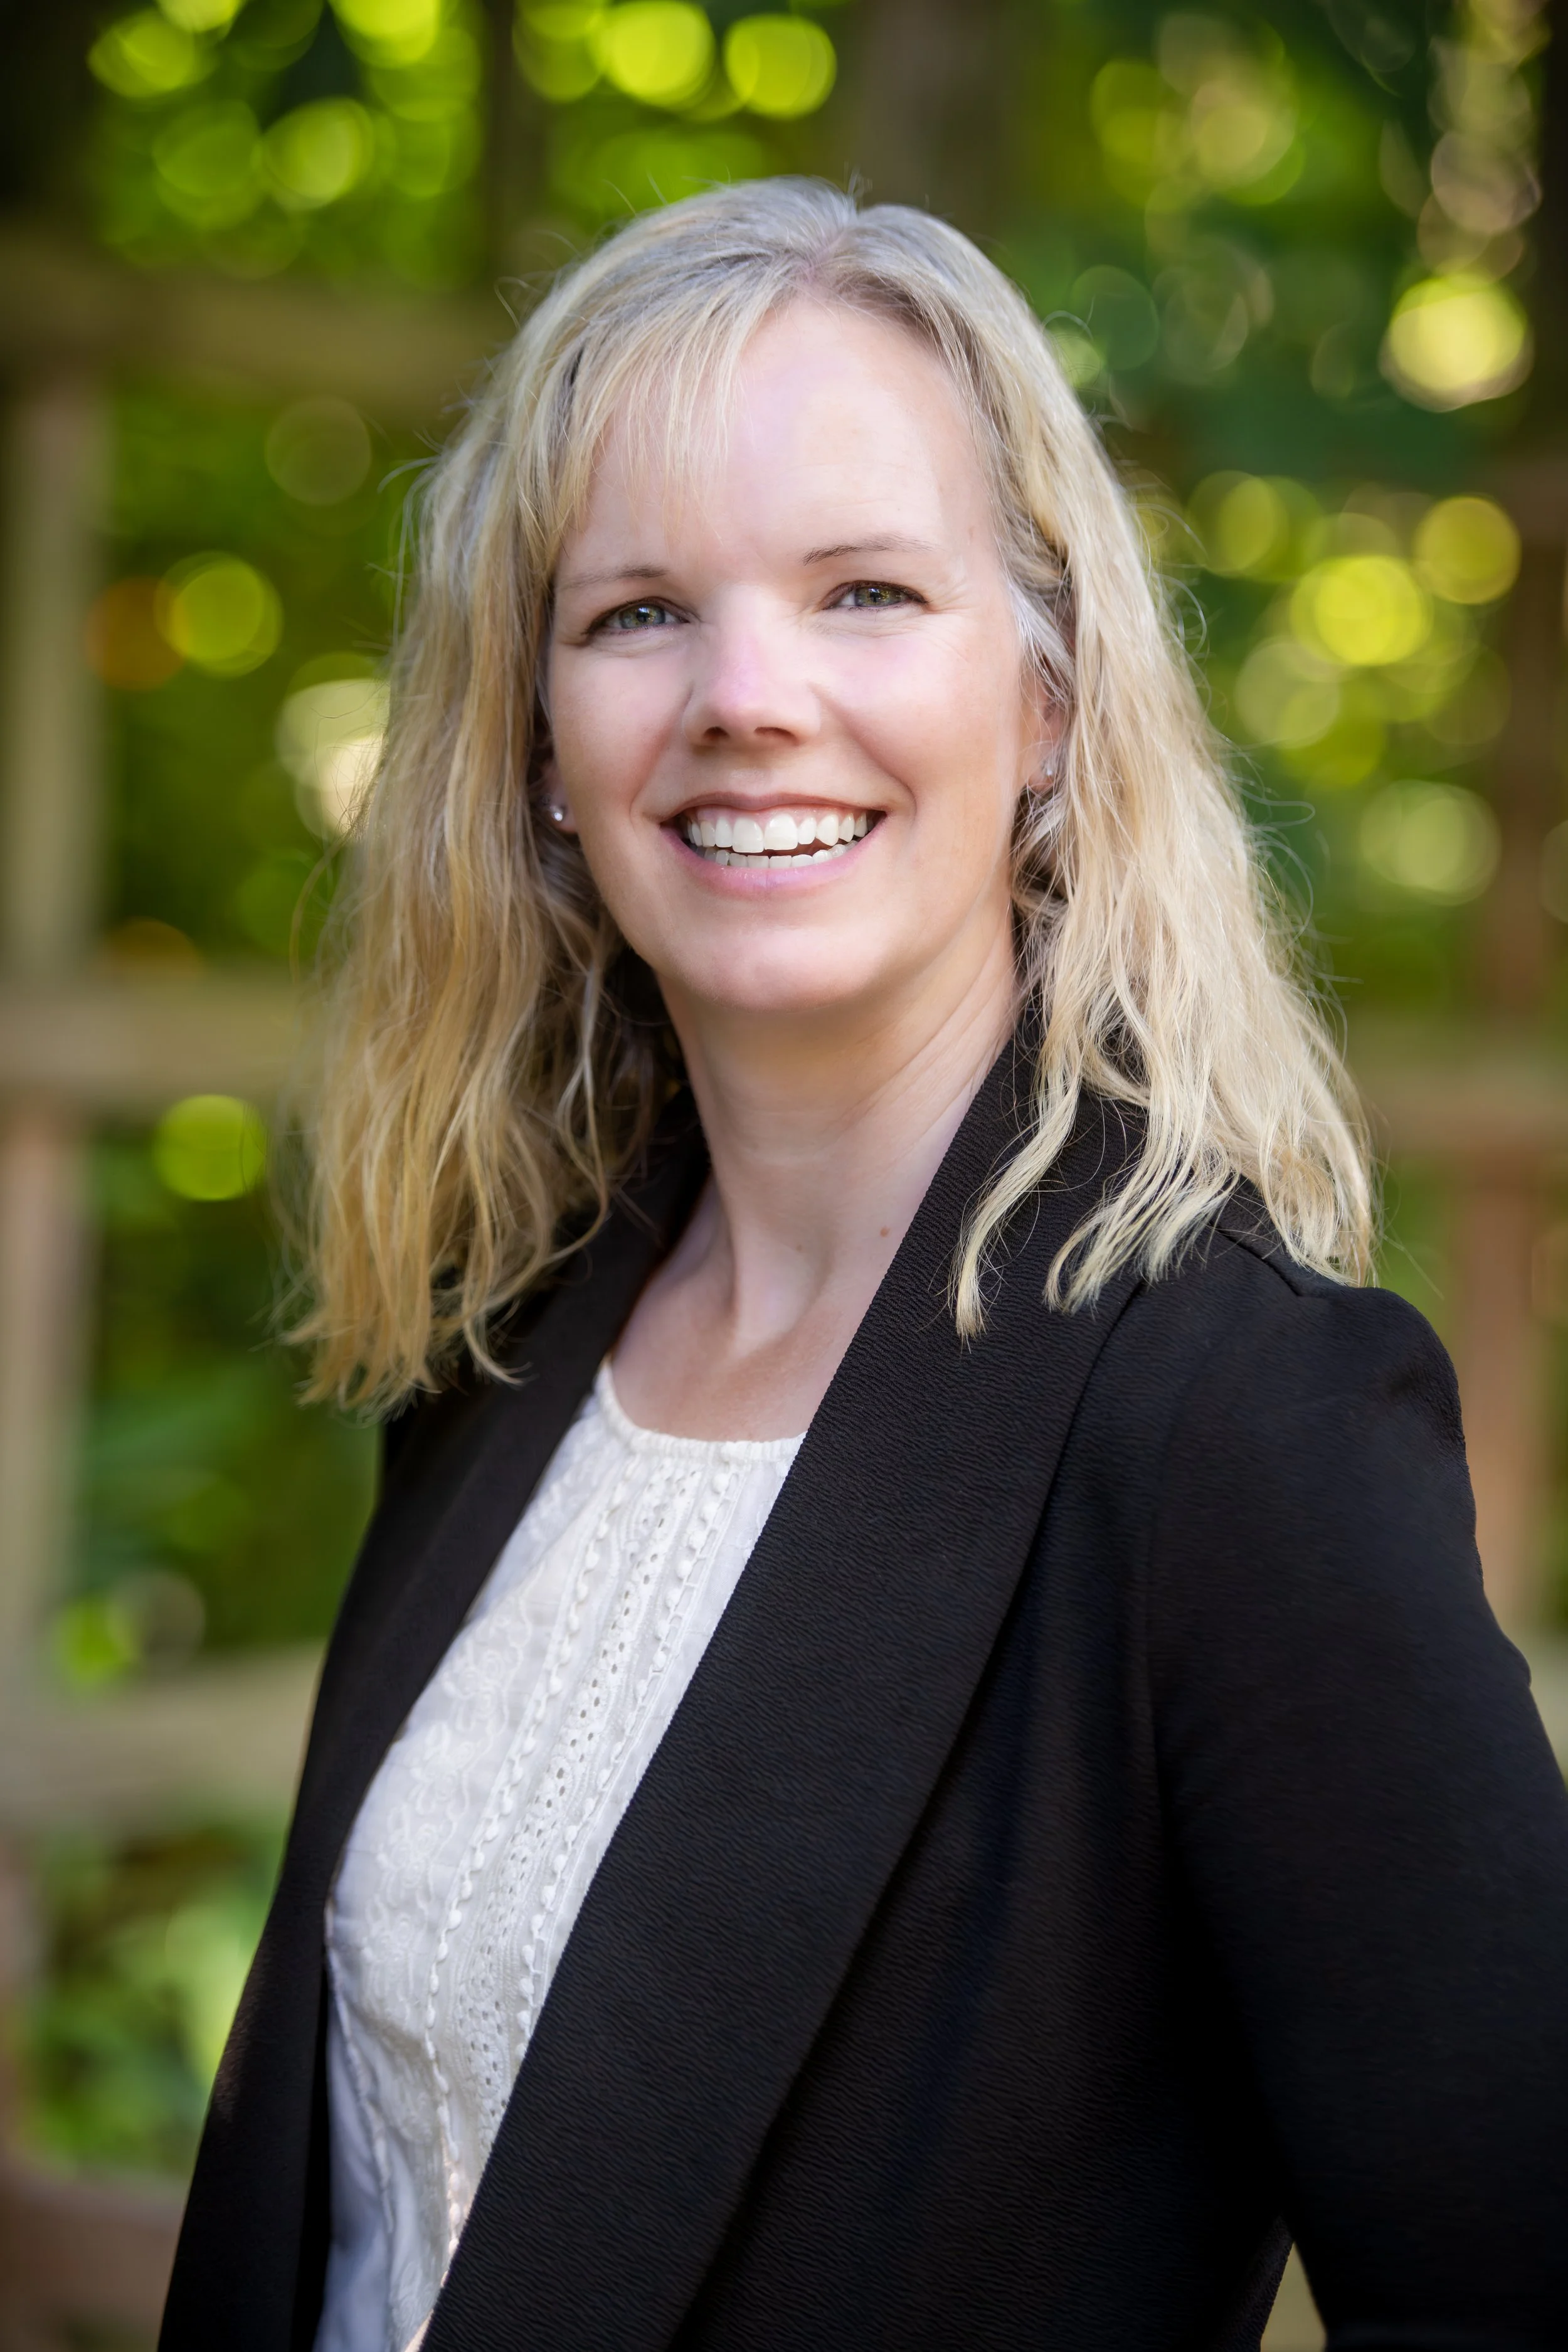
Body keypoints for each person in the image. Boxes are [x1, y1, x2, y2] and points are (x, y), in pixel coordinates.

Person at [159, 181, 1568, 2352]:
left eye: (867, 591)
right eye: (639, 611)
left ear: (1047, 701)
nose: (747, 696)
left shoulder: (1238, 1422)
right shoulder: (506, 1339)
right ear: (539, 745)